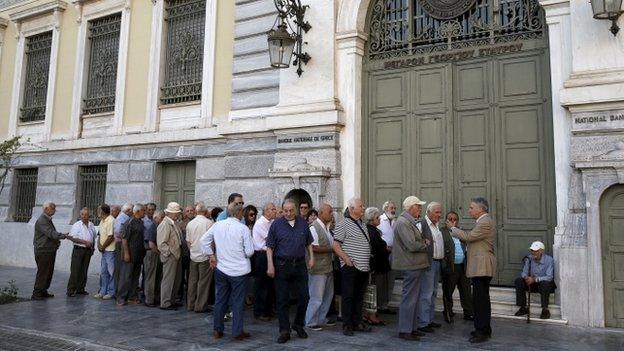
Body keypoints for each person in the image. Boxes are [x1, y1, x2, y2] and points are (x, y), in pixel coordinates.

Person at [201, 202, 254, 341]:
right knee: (237, 302)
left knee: (220, 300)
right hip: (239, 271)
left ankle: (217, 329)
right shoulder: (243, 229)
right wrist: (241, 253)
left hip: (222, 268)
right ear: (239, 213)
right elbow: (249, 252)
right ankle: (237, 332)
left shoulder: (218, 225)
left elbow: (203, 240)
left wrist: (211, 255)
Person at [447, 197, 496, 344]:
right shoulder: (483, 221)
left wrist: (453, 228)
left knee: (480, 300)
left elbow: (469, 236)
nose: (469, 210)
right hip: (480, 266)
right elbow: (471, 239)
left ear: (481, 209)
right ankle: (483, 328)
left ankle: (481, 331)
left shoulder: (485, 222)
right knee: (481, 299)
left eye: (471, 207)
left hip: (482, 265)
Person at [266, 199, 314, 344]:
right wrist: (270, 265)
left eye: (291, 210)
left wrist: (311, 258)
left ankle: (298, 324)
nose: (288, 213)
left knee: (305, 297)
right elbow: (269, 247)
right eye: (285, 210)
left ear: (296, 210)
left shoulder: (303, 223)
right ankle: (284, 330)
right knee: (282, 299)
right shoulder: (276, 225)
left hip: (299, 265)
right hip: (281, 265)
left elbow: (308, 242)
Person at [332, 198, 371, 336]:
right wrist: (346, 259)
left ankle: (357, 322)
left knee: (359, 296)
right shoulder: (343, 224)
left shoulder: (363, 224)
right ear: (352, 209)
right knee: (348, 296)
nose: (363, 208)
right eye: (361, 206)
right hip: (351, 267)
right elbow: (336, 245)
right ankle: (347, 325)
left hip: (363, 267)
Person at [393, 196, 429, 341]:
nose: (420, 209)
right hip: (411, 264)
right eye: (418, 206)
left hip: (415, 264)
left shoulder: (407, 221)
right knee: (409, 298)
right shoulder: (403, 222)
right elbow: (411, 245)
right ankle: (405, 330)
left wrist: (420, 242)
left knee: (414, 298)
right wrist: (424, 243)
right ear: (410, 207)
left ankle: (411, 328)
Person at [305, 203, 335, 331]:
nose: (331, 214)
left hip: (328, 267)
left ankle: (321, 319)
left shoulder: (326, 227)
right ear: (321, 213)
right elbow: (314, 247)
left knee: (328, 295)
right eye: (330, 212)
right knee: (316, 296)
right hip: (318, 268)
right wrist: (331, 249)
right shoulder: (313, 228)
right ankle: (311, 321)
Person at [441, 211, 473, 323]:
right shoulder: (442, 232)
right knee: (448, 290)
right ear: (446, 221)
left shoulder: (460, 231)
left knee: (466, 290)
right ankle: (448, 312)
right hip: (450, 266)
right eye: (450, 219)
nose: (453, 221)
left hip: (463, 265)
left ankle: (468, 312)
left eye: (455, 219)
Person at [32, 202, 67, 300]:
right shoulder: (42, 220)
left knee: (48, 272)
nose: (54, 210)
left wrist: (57, 241)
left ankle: (43, 290)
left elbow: (51, 235)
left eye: (54, 208)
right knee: (43, 272)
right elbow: (51, 233)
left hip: (49, 250)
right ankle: (37, 293)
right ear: (46, 209)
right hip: (43, 250)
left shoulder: (47, 219)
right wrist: (63, 236)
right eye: (52, 208)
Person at [417, 202, 443, 332]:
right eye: (437, 212)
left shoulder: (436, 225)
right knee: (426, 293)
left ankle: (429, 320)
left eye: (440, 212)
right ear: (429, 212)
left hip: (437, 262)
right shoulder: (422, 224)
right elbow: (416, 242)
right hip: (428, 263)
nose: (440, 215)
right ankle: (423, 323)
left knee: (433, 293)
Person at [363, 207, 391, 326]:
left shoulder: (372, 230)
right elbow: (376, 248)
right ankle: (371, 315)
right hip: (376, 266)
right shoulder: (371, 231)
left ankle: (369, 314)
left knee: (374, 290)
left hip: (378, 265)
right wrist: (386, 249)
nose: (379, 219)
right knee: (374, 290)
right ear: (372, 219)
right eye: (377, 217)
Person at [514, 241, 556, 319]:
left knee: (545, 283)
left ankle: (545, 309)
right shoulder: (529, 259)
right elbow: (524, 273)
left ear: (542, 251)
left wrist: (536, 279)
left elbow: (549, 276)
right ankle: (523, 307)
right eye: (532, 250)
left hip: (542, 284)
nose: (533, 253)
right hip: (532, 283)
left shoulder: (549, 260)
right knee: (518, 281)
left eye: (536, 251)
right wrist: (527, 278)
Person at [186, 203, 214, 312]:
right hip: (205, 256)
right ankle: (200, 306)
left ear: (196, 211)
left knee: (192, 281)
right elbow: (211, 241)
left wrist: (192, 251)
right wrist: (211, 255)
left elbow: (188, 241)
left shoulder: (190, 224)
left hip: (193, 255)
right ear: (206, 212)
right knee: (203, 282)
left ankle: (190, 304)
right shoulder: (209, 223)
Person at [252, 202, 278, 321]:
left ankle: (268, 310)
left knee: (270, 285)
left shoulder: (272, 222)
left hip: (271, 254)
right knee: (261, 284)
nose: (275, 211)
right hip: (262, 255)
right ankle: (259, 311)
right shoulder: (260, 223)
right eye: (273, 209)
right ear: (266, 211)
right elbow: (271, 238)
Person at [117, 204, 146, 306]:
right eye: (143, 211)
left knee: (135, 277)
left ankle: (132, 296)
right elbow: (124, 239)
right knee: (126, 276)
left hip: (138, 255)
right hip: (130, 254)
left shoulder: (141, 222)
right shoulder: (129, 222)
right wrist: (126, 253)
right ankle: (121, 297)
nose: (145, 213)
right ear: (137, 211)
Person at [158, 202, 183, 310]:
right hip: (170, 256)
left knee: (175, 280)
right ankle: (165, 302)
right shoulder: (165, 224)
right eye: (175, 213)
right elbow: (161, 243)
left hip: (175, 255)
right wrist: (169, 253)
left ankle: (171, 300)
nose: (177, 214)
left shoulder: (173, 223)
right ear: (170, 213)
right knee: (168, 280)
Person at [66, 208, 97, 297]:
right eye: (82, 214)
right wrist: (84, 242)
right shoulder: (77, 225)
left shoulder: (91, 225)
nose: (84, 216)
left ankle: (80, 289)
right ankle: (71, 290)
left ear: (89, 216)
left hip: (88, 250)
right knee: (75, 270)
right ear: (80, 215)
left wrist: (92, 247)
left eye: (86, 215)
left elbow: (93, 236)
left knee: (84, 270)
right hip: (78, 249)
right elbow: (72, 237)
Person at [143, 209, 164, 307]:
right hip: (152, 254)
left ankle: (155, 297)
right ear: (156, 217)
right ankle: (149, 299)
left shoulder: (159, 226)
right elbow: (151, 244)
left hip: (156, 253)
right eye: (162, 217)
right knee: (151, 277)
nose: (163, 219)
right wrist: (159, 252)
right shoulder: (152, 227)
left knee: (157, 276)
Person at [95, 204, 116, 300]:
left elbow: (111, 237)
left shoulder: (111, 220)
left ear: (103, 211)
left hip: (110, 250)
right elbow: (99, 234)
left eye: (99, 210)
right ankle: (103, 291)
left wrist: (103, 247)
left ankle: (111, 292)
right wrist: (99, 245)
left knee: (111, 272)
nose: (97, 211)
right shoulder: (102, 221)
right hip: (104, 250)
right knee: (103, 272)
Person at [113, 203, 133, 295]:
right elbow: (118, 232)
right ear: (128, 210)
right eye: (132, 209)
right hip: (120, 244)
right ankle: (118, 291)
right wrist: (127, 238)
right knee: (120, 269)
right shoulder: (122, 218)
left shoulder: (125, 218)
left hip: (122, 244)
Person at [177, 205, 195, 301]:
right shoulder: (180, 224)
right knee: (180, 275)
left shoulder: (197, 222)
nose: (189, 212)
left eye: (191, 210)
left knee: (191, 276)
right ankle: (179, 295)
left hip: (193, 253)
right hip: (182, 253)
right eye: (187, 211)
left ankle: (190, 295)